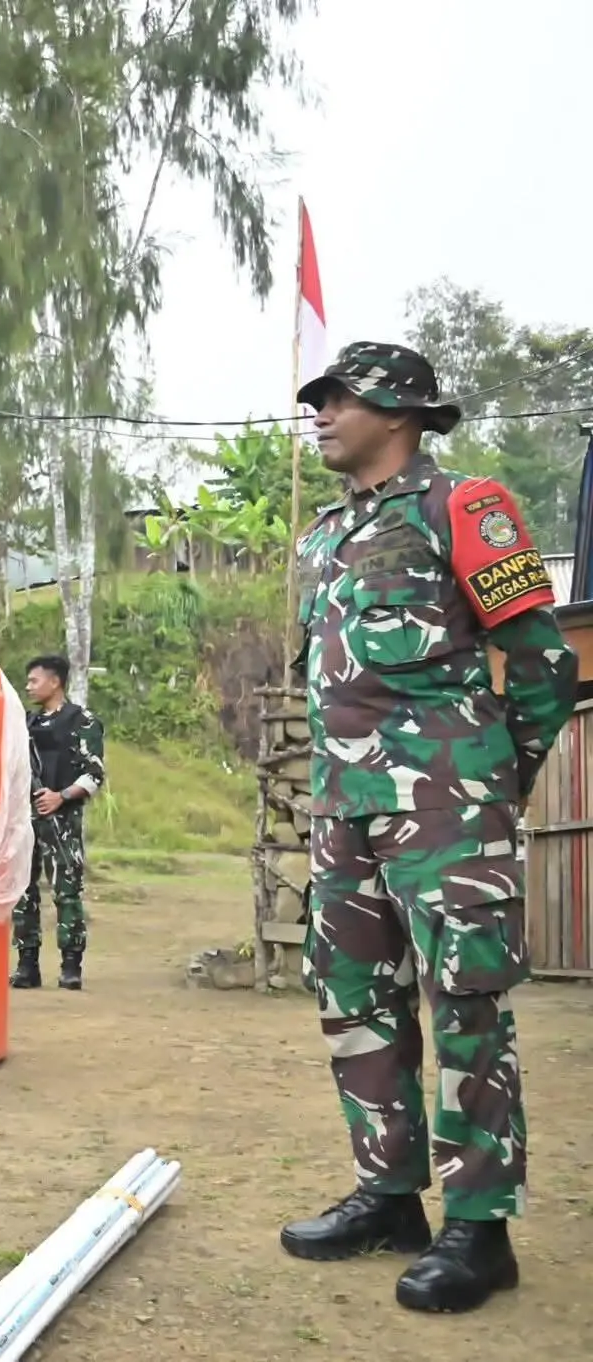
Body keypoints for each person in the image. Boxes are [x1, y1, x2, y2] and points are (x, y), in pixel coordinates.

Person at [278, 341, 576, 1314]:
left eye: (337, 399)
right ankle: (389, 1195)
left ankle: (478, 1230)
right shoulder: (321, 537)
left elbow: (540, 665)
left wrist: (493, 786)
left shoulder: (464, 509)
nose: (318, 413)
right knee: (355, 1005)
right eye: (315, 399)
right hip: (341, 808)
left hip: (445, 808)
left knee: (464, 1008)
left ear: (399, 414)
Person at [8, 654, 105, 991]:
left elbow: (94, 774)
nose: (29, 686)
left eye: (34, 680)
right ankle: (26, 965)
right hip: (26, 819)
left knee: (67, 892)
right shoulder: (27, 724)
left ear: (55, 682)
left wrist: (60, 796)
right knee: (22, 891)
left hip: (62, 819)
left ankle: (70, 966)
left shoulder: (83, 721)